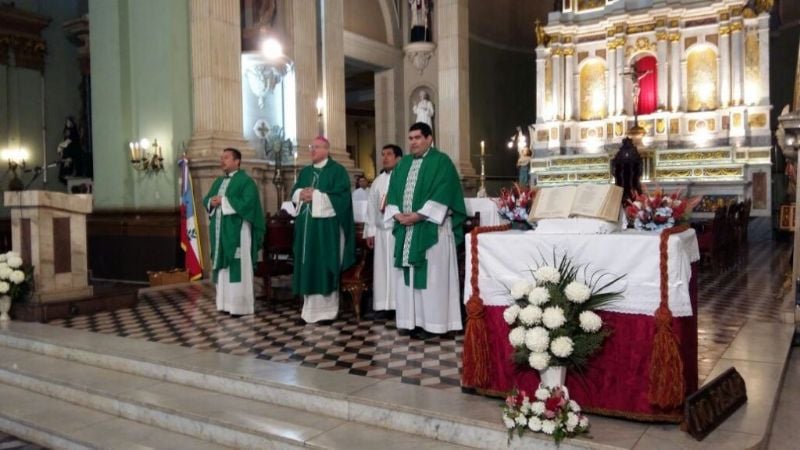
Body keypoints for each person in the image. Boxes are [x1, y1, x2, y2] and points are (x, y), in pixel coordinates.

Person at [384, 122, 466, 339]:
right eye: (410, 138)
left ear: (429, 139)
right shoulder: (402, 165)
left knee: (433, 279)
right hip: (407, 229)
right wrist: (397, 214)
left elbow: (445, 190)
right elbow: (392, 193)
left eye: (418, 138)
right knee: (407, 276)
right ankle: (411, 321)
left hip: (432, 230)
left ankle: (435, 324)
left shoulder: (442, 162)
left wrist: (419, 215)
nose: (413, 142)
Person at [291, 136, 356, 324]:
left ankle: (327, 312)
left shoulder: (337, 171)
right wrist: (300, 194)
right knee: (307, 265)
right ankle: (307, 311)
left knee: (322, 264)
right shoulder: (305, 172)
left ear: (327, 149)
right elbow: (294, 192)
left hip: (325, 229)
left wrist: (316, 196)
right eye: (311, 147)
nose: (312, 150)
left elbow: (342, 198)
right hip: (306, 227)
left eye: (317, 147)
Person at [203, 148, 265, 316]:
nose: (222, 160)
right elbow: (207, 199)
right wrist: (212, 202)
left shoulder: (246, 182)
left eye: (226, 158)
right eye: (221, 157)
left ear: (237, 161)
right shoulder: (218, 182)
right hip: (221, 232)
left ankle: (240, 306)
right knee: (223, 270)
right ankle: (224, 304)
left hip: (238, 232)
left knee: (238, 266)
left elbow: (249, 203)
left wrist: (224, 201)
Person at [364, 144, 403, 319]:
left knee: (396, 270)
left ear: (398, 158)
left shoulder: (404, 177)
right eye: (383, 154)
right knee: (381, 271)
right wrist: (370, 231)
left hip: (397, 231)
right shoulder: (378, 181)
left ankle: (399, 306)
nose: (384, 158)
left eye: (389, 154)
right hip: (380, 233)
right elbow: (371, 208)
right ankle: (382, 306)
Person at [57, 117, 83, 183]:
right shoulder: (66, 132)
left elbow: (67, 142)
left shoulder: (73, 132)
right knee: (63, 175)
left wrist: (60, 146)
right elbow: (65, 142)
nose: (68, 123)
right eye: (67, 122)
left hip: (71, 155)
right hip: (67, 156)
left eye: (69, 122)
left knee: (66, 172)